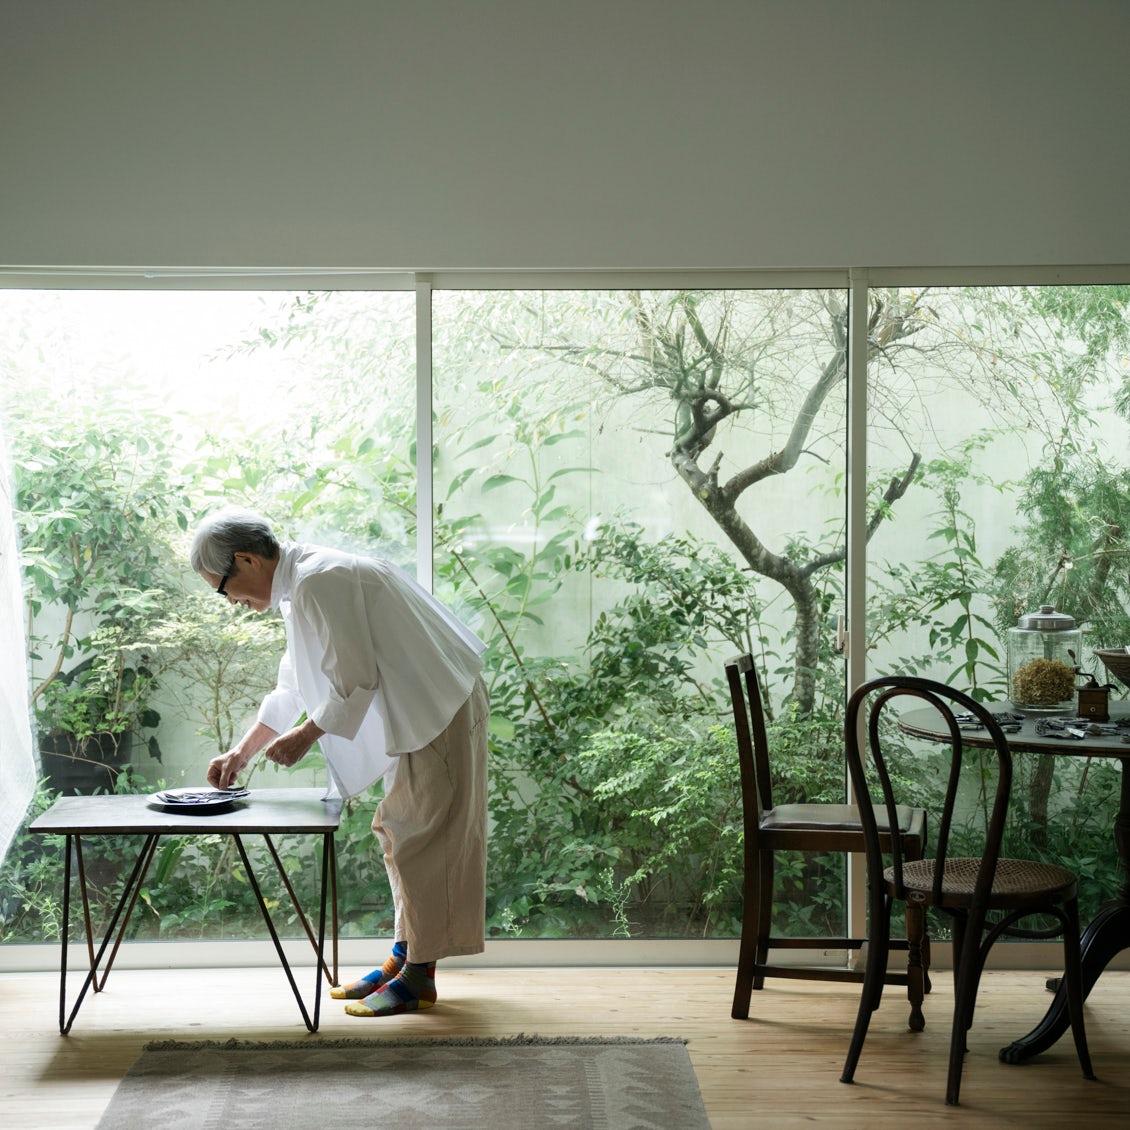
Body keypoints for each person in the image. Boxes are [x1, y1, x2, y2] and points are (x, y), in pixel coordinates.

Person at [190, 508, 488, 1017]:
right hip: (421, 705)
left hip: (437, 703)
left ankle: (419, 977)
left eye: (223, 589)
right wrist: (244, 751)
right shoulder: (300, 584)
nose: (231, 603)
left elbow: (355, 679)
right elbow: (294, 684)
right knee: (400, 834)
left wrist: (306, 735)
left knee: (421, 841)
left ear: (245, 560)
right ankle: (405, 959)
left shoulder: (319, 581)